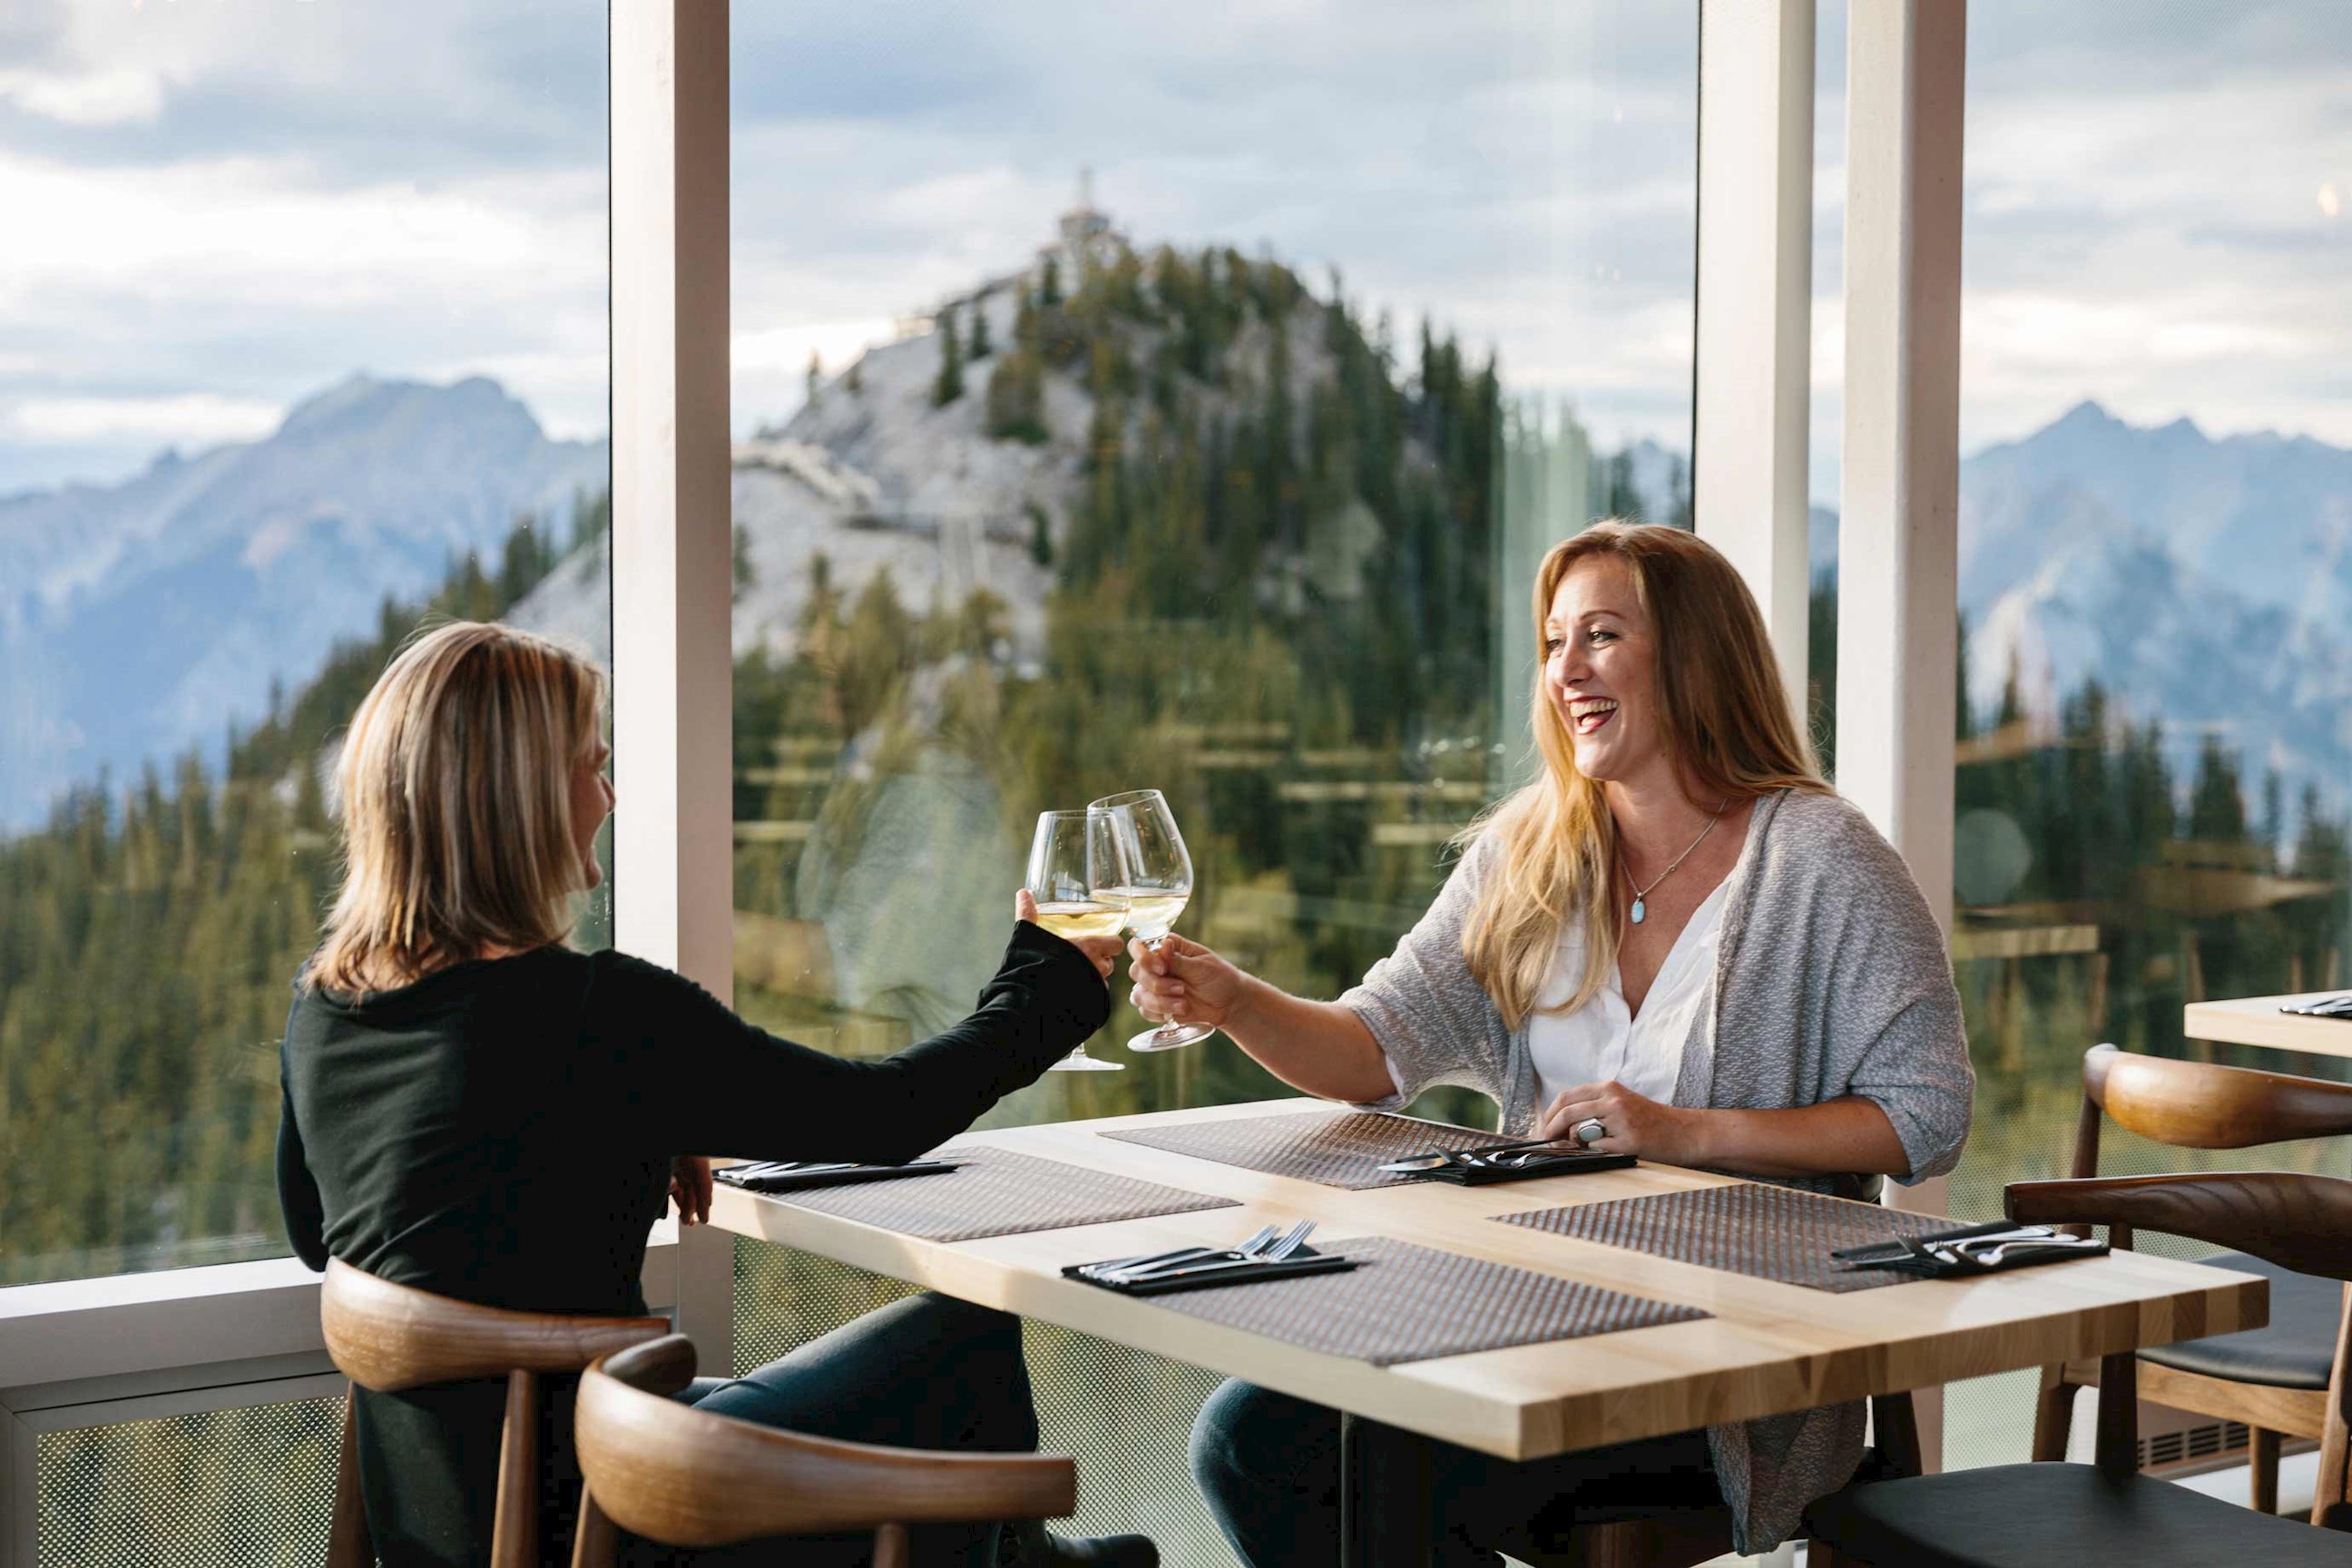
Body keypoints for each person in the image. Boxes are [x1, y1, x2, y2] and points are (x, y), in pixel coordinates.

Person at [1131, 523, 1975, 1563]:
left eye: (1602, 636)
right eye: (1552, 641)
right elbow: (1372, 1051)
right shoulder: (1531, 851)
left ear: (1694, 659)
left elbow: (1926, 1117)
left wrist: (1683, 1133)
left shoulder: (1818, 857)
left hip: (1719, 1364)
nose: (1565, 670)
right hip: (1528, 1307)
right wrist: (1235, 1002)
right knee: (1252, 1436)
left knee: (1362, 1458)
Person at [276, 620, 1154, 1568]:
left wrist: (629, 1127)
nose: (607, 797)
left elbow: (323, 1226)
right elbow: (889, 1115)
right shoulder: (596, 1019)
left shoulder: (328, 1009)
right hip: (621, 1517)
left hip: (463, 1531)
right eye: (591, 766)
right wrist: (1044, 985)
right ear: (515, 799)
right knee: (964, 1337)